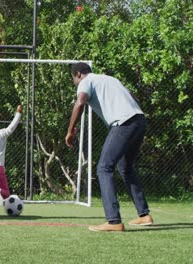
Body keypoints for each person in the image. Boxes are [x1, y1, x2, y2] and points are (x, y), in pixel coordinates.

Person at [65, 62, 153, 232]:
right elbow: (134, 98)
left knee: (104, 168)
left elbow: (80, 103)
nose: (75, 83)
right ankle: (144, 215)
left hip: (123, 123)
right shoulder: (110, 79)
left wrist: (70, 131)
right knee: (125, 167)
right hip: (139, 120)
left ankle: (113, 221)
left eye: (73, 79)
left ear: (77, 74)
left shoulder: (85, 81)